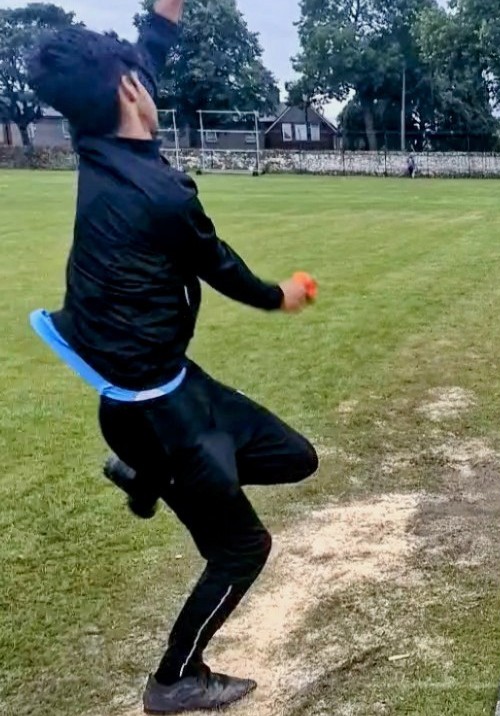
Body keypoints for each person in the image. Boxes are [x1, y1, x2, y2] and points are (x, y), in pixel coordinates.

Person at [26, 1, 320, 712]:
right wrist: (279, 296)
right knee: (242, 550)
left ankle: (146, 475)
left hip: (174, 389)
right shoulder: (159, 194)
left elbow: (149, 46)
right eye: (140, 76)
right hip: (157, 415)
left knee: (296, 458)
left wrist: (162, 18)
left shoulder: (100, 137)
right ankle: (174, 679)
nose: (147, 79)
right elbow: (221, 268)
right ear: (132, 92)